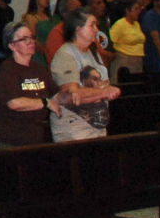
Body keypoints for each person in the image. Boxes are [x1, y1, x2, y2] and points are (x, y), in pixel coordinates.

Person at [48, 10, 120, 141]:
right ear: (78, 30)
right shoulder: (66, 55)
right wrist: (104, 93)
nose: (96, 29)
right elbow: (70, 96)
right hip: (75, 129)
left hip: (96, 126)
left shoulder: (92, 52)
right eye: (92, 25)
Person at [0, 26, 54, 150]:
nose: (31, 42)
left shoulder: (38, 68)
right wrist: (45, 102)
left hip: (32, 138)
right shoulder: (7, 69)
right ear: (12, 46)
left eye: (32, 37)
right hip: (5, 141)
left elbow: (56, 94)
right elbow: (15, 103)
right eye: (24, 39)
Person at [109, 0, 148, 80]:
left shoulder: (136, 24)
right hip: (124, 60)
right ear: (128, 11)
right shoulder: (120, 24)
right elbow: (110, 41)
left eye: (139, 9)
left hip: (138, 60)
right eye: (136, 9)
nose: (139, 11)